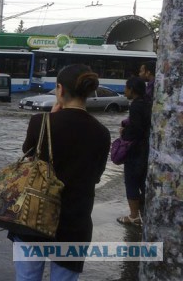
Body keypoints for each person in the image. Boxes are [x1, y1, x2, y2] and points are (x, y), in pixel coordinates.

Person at [9, 64, 110, 279]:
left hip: (33, 218)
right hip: (75, 222)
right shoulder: (102, 132)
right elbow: (96, 175)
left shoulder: (40, 122)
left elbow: (28, 155)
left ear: (60, 90)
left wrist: (50, 118)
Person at [117, 76, 151, 227]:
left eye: (126, 88)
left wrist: (124, 132)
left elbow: (136, 129)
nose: (124, 91)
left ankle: (133, 216)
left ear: (132, 90)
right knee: (142, 182)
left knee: (131, 182)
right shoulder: (148, 103)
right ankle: (144, 213)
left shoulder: (136, 106)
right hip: (146, 150)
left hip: (136, 151)